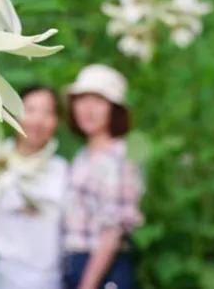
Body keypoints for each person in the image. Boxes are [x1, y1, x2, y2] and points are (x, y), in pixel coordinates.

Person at [0, 85, 68, 289]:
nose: (38, 120)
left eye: (48, 112)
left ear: (57, 122)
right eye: (30, 110)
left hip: (42, 280)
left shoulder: (62, 172)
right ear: (12, 116)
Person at [63, 64, 143, 289]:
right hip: (74, 263)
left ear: (114, 109)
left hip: (103, 269)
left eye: (98, 101)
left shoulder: (119, 158)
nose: (87, 109)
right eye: (82, 100)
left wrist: (88, 285)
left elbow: (113, 231)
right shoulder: (83, 156)